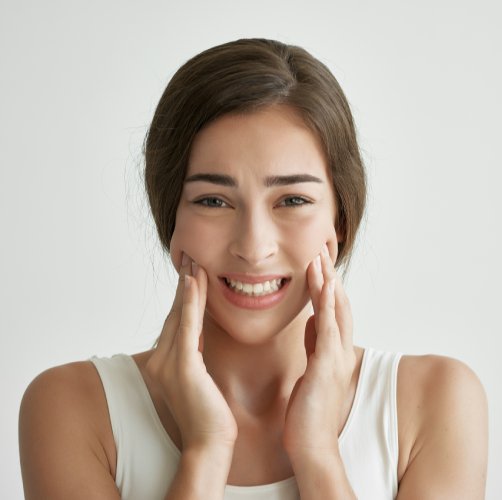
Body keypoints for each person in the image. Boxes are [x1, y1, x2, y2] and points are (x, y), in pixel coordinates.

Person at [18, 38, 488, 499]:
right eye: (214, 200)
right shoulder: (73, 408)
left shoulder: (436, 404)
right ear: (171, 219)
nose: (253, 246)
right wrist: (205, 450)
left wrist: (317, 451)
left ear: (340, 219)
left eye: (292, 200)